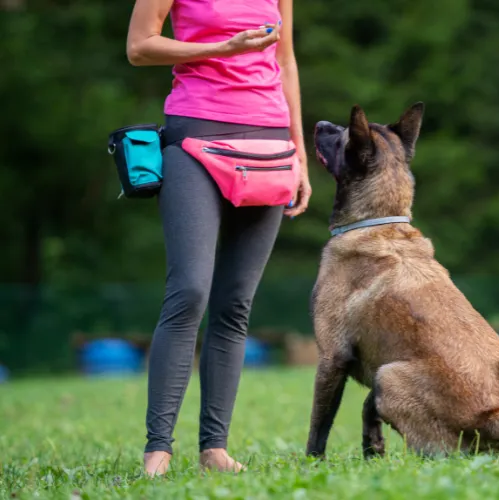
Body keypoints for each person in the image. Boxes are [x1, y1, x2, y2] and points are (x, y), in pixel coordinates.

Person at [126, 0, 311, 476]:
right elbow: (139, 47)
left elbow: (285, 60)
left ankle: (215, 448)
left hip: (269, 141)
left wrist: (300, 154)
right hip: (195, 135)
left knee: (234, 304)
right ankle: (158, 449)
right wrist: (221, 48)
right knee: (189, 290)